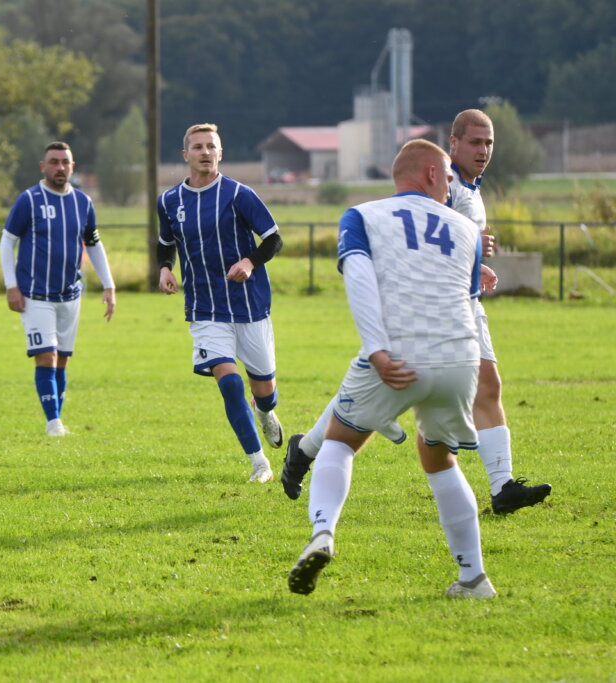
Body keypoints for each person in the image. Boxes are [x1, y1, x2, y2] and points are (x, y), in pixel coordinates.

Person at [280, 110, 552, 515]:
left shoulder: (470, 187)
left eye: (489, 143)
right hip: (434, 307)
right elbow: (425, 245)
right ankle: (306, 451)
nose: (483, 151)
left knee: (474, 385)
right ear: (453, 145)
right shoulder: (446, 183)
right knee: (380, 393)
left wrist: (476, 263)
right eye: (475, 143)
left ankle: (502, 486)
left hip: (461, 300)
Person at [287, 139, 495, 598]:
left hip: (397, 355)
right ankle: (473, 579)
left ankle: (322, 533)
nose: (450, 187)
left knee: (339, 443)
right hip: (460, 357)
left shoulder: (361, 215)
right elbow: (468, 302)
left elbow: (359, 277)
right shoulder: (465, 229)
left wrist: (377, 348)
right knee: (440, 460)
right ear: (431, 175)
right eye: (447, 178)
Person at [157, 123, 284, 483]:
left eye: (211, 146)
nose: (205, 152)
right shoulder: (169, 201)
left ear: (220, 153)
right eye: (197, 147)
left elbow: (273, 240)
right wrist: (165, 267)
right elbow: (165, 241)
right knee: (229, 384)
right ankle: (259, 463)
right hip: (204, 308)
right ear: (186, 155)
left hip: (249, 306)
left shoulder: (239, 194)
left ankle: (265, 411)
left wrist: (249, 262)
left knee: (265, 391)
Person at [0, 141, 116, 437]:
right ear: (43, 167)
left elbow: (93, 243)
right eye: (54, 162)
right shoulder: (29, 200)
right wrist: (11, 286)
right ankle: (53, 423)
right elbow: (7, 242)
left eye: (65, 162)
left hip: (70, 295)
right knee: (46, 356)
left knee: (62, 358)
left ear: (73, 167)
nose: (60, 167)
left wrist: (108, 284)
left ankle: (57, 420)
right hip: (35, 296)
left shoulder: (83, 203)